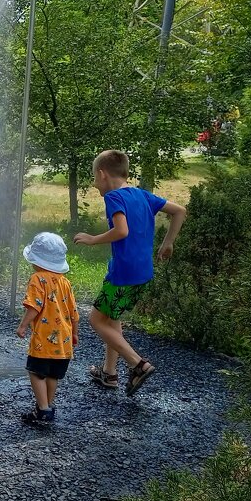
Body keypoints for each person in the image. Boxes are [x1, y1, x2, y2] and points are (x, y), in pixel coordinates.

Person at [74, 150, 187, 396]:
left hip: (122, 274)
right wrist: (168, 242)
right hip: (143, 272)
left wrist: (93, 239)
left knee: (95, 320)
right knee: (113, 318)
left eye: (94, 178)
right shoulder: (142, 195)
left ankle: (137, 364)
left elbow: (121, 230)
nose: (95, 184)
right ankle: (109, 374)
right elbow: (180, 211)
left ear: (102, 175)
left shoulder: (114, 197)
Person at [15, 232, 79, 424]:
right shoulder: (65, 282)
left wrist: (23, 325)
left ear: (37, 260)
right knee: (53, 374)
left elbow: (34, 306)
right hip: (64, 339)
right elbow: (74, 312)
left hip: (44, 339)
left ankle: (42, 409)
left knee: (36, 371)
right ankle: (48, 407)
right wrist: (74, 333)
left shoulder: (38, 278)